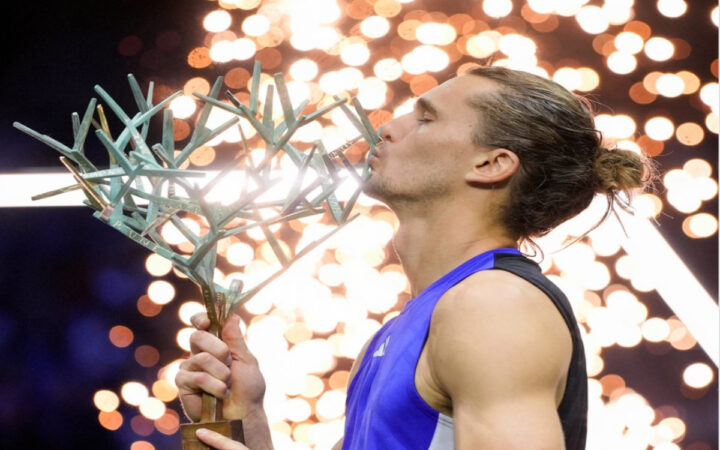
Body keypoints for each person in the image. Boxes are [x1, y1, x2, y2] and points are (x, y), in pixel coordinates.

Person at [175, 66, 651, 449]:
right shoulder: (404, 329)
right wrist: (245, 418)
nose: (387, 128)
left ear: (491, 164)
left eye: (425, 118)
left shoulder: (493, 306)